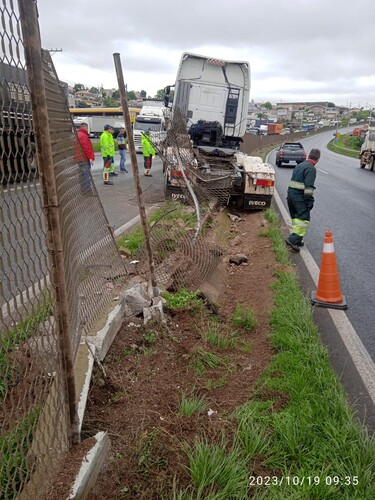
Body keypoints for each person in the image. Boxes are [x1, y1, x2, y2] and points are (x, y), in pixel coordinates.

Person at [285, 148, 321, 252]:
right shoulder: (311, 169)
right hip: (299, 197)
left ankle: (298, 239)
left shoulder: (299, 165)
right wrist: (309, 200)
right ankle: (293, 240)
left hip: (291, 195)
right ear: (318, 159)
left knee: (296, 218)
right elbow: (309, 187)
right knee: (303, 218)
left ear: (309, 156)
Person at [77, 122, 94, 192]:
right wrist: (90, 158)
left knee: (82, 174)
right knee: (87, 174)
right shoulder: (84, 136)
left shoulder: (77, 134)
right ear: (85, 128)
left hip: (79, 158)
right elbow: (86, 148)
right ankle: (88, 190)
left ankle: (83, 189)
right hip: (84, 158)